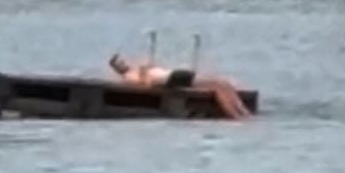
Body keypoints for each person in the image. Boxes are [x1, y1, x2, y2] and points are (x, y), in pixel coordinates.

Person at [107, 52, 252, 120]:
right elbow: (146, 86)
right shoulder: (130, 77)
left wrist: (148, 67)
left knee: (222, 83)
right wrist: (144, 73)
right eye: (121, 64)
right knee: (217, 86)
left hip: (174, 74)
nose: (125, 63)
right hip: (171, 79)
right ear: (119, 69)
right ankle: (235, 115)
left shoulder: (135, 70)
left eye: (123, 62)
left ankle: (242, 111)